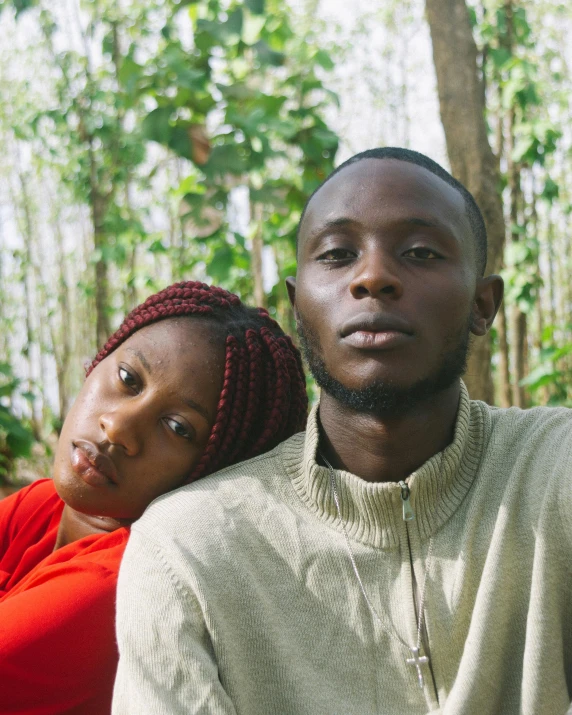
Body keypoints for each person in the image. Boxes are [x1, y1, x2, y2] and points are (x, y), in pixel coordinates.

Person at [112, 148, 572, 715]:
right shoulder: (189, 550)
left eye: (421, 252)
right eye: (337, 254)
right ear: (296, 305)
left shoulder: (556, 473)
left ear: (483, 304)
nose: (373, 276)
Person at [0, 280, 307, 715]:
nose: (119, 429)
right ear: (101, 357)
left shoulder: (111, 589)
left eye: (178, 427)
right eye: (128, 379)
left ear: (213, 470)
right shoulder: (51, 503)